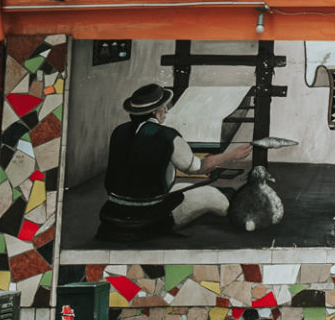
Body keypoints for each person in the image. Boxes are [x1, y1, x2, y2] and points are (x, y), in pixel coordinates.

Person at [98, 83, 251, 239]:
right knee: (214, 196)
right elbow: (197, 167)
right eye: (164, 107)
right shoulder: (167, 135)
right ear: (155, 112)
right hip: (149, 217)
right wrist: (232, 155)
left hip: (113, 211)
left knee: (180, 187)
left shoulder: (119, 132)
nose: (166, 110)